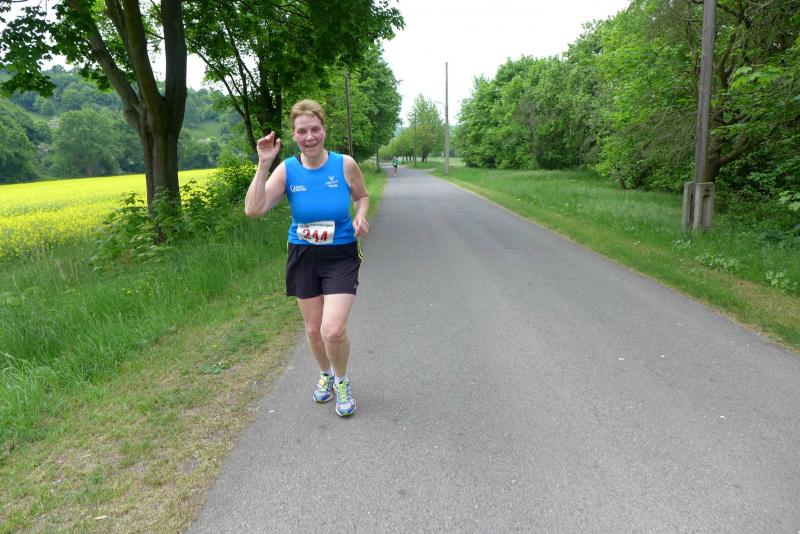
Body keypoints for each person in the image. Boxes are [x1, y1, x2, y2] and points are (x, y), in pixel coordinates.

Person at [244, 99, 369, 417]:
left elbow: (362, 196)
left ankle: (341, 380)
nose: (309, 137)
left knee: (332, 330)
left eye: (315, 129)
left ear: (324, 130)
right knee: (313, 331)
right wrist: (263, 164)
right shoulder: (288, 169)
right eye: (302, 131)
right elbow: (254, 209)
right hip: (303, 254)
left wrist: (360, 216)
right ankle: (326, 373)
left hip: (340, 253)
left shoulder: (344, 164)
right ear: (294, 135)